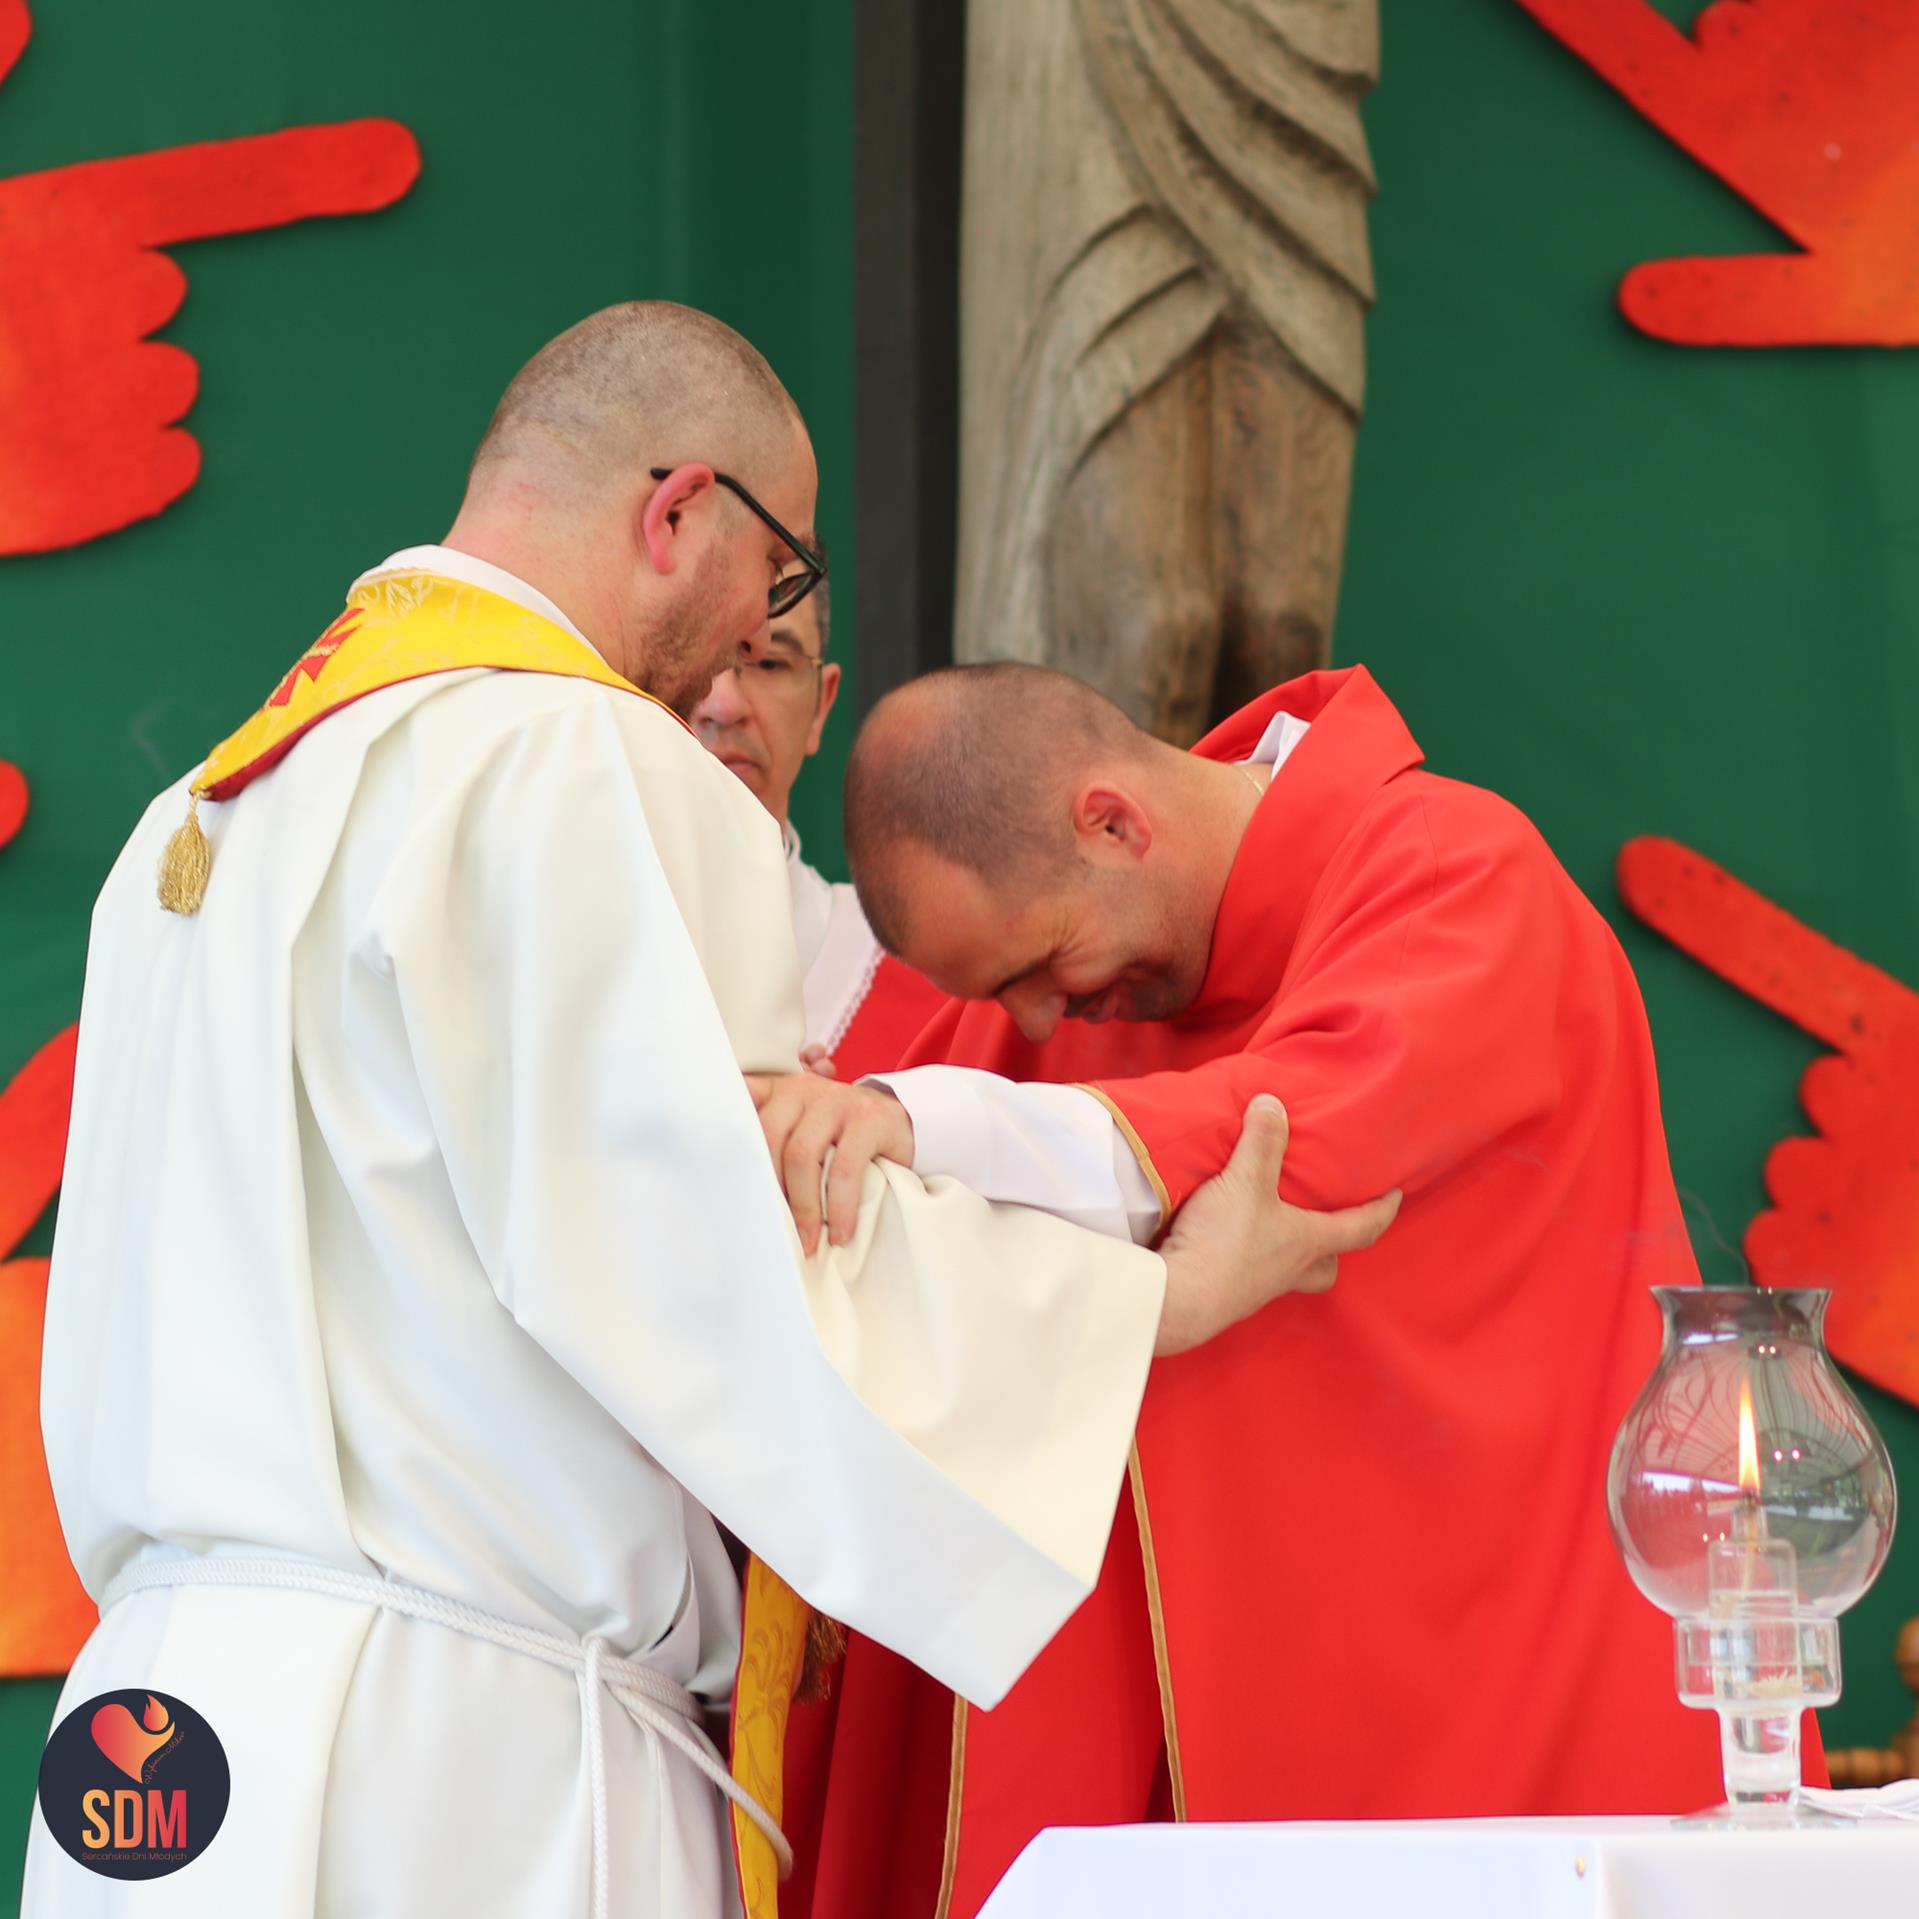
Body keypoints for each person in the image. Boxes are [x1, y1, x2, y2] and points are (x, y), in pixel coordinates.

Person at [25, 307, 1399, 1919]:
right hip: (453, 1764)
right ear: (678, 510)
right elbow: (713, 1263)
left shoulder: (192, 819)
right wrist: (1152, 1300)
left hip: (158, 1739)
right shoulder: (571, 754)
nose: (762, 626)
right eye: (779, 568)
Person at [754, 659, 1736, 1919]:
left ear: (1113, 822)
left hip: (1488, 1668)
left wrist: (925, 1120)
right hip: (1185, 1741)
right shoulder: (1040, 979)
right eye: (1001, 995)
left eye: (1043, 965)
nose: (1038, 1025)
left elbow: (1279, 1133)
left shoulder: (1455, 872)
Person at [692, 580, 943, 1077]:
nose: (724, 705)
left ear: (821, 706)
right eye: (694, 656)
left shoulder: (928, 985)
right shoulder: (557, 954)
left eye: (768, 663)